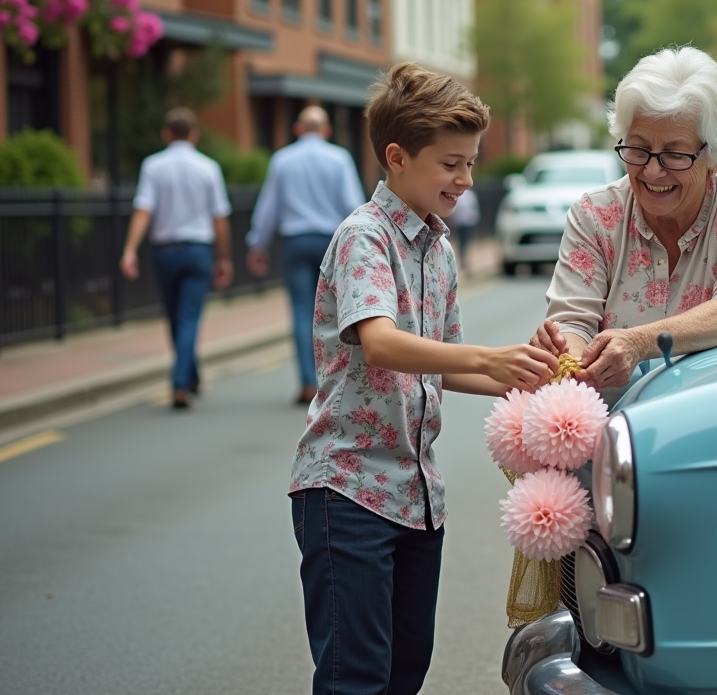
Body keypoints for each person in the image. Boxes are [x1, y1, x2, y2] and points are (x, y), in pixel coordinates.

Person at [287, 61, 559, 695]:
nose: (466, 179)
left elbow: (445, 359)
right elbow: (381, 344)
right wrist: (488, 361)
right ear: (397, 157)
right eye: (452, 164)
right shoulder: (363, 237)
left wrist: (532, 373)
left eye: (470, 163)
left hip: (416, 499)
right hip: (348, 491)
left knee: (404, 674)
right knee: (354, 679)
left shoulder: (436, 247)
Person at [531, 46, 717, 398]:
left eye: (674, 154)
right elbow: (571, 323)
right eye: (638, 149)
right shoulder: (594, 215)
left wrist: (640, 342)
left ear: (715, 157)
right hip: (613, 434)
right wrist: (570, 359)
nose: (651, 170)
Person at [246, 105, 364, 405]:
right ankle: (333, 381)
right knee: (337, 313)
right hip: (331, 241)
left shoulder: (282, 160)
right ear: (326, 131)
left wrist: (257, 244)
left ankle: (308, 383)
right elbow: (353, 205)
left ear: (298, 129)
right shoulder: (339, 159)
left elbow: (268, 207)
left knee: (302, 311)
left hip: (295, 242)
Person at [120, 107, 234, 409]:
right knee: (186, 318)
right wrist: (224, 258)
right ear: (194, 134)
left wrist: (130, 249)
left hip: (165, 252)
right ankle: (189, 376)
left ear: (166, 134)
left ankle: (179, 383)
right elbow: (219, 218)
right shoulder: (208, 167)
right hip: (198, 251)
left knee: (175, 317)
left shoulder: (153, 166)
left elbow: (143, 209)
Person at [447, 186, 479, 274]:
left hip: (468, 222)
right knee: (461, 242)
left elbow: (474, 208)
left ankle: (466, 261)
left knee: (466, 242)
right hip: (459, 222)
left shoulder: (470, 195)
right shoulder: (458, 195)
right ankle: (462, 261)